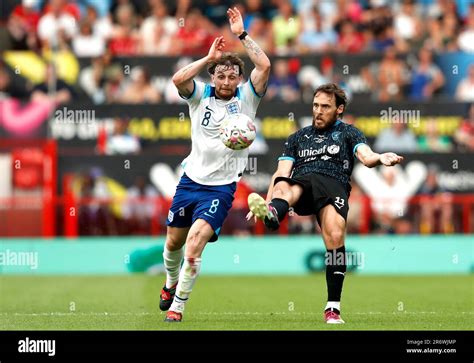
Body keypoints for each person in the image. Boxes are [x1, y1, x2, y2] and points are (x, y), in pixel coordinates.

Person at [246, 83, 403, 324]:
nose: (318, 111)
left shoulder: (350, 133)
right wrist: (268, 201)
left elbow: (366, 156)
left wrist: (381, 158)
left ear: (339, 109)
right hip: (303, 183)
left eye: (325, 106)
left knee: (335, 236)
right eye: (316, 105)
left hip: (333, 185)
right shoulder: (297, 137)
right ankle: (273, 213)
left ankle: (333, 308)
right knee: (287, 185)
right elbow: (281, 172)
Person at [160, 7, 271, 323]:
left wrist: (242, 35)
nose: (225, 81)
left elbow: (263, 64)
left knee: (194, 246)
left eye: (231, 76)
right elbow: (178, 79)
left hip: (220, 189)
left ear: (238, 78)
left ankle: (178, 306)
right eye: (220, 75)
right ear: (213, 77)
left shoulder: (248, 98)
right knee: (173, 243)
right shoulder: (200, 96)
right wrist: (208, 58)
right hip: (190, 181)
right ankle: (169, 283)